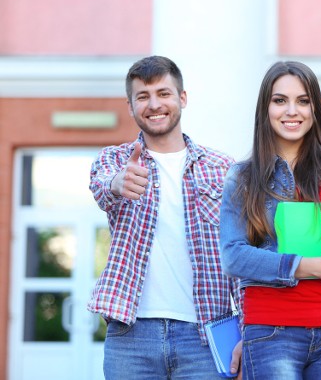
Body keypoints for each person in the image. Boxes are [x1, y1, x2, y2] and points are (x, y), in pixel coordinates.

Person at [88, 55, 243, 379]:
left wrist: (247, 330)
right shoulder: (114, 159)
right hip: (131, 334)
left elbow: (239, 252)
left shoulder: (222, 167)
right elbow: (104, 189)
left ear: (182, 98)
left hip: (206, 335)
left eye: (163, 93)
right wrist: (119, 184)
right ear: (130, 106)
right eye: (142, 96)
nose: (154, 104)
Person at [219, 60, 321, 380]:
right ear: (265, 109)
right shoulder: (243, 177)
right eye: (280, 101)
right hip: (271, 332)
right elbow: (233, 256)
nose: (292, 111)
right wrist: (310, 266)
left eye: (303, 101)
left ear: (315, 110)